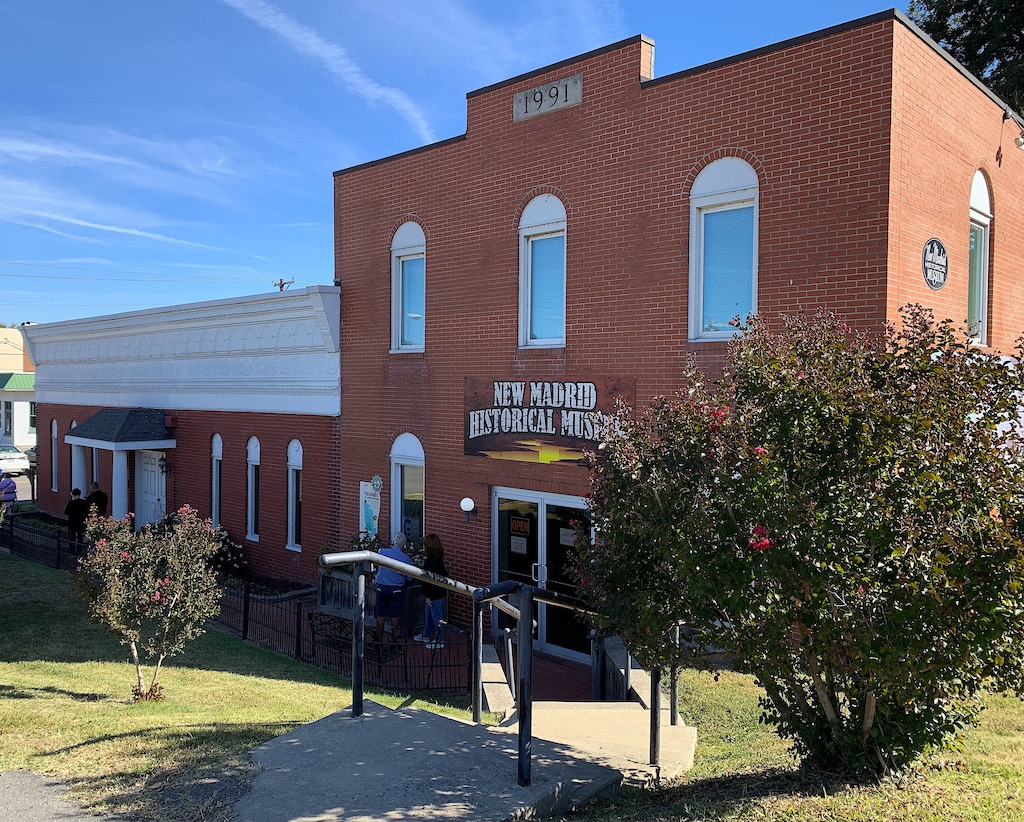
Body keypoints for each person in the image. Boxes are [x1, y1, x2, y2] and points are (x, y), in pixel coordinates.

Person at [374, 532, 413, 642]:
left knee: (380, 616)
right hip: (396, 589)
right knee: (395, 617)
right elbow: (409, 578)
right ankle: (394, 641)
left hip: (381, 587)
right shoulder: (406, 559)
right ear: (404, 545)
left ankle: (378, 640)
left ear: (394, 542)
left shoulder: (382, 552)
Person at [415, 533, 449, 649]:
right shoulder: (438, 557)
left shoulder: (431, 561)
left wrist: (428, 595)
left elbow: (429, 580)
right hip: (439, 592)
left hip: (434, 594)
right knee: (429, 614)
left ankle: (440, 639)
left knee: (436, 616)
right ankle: (426, 634)